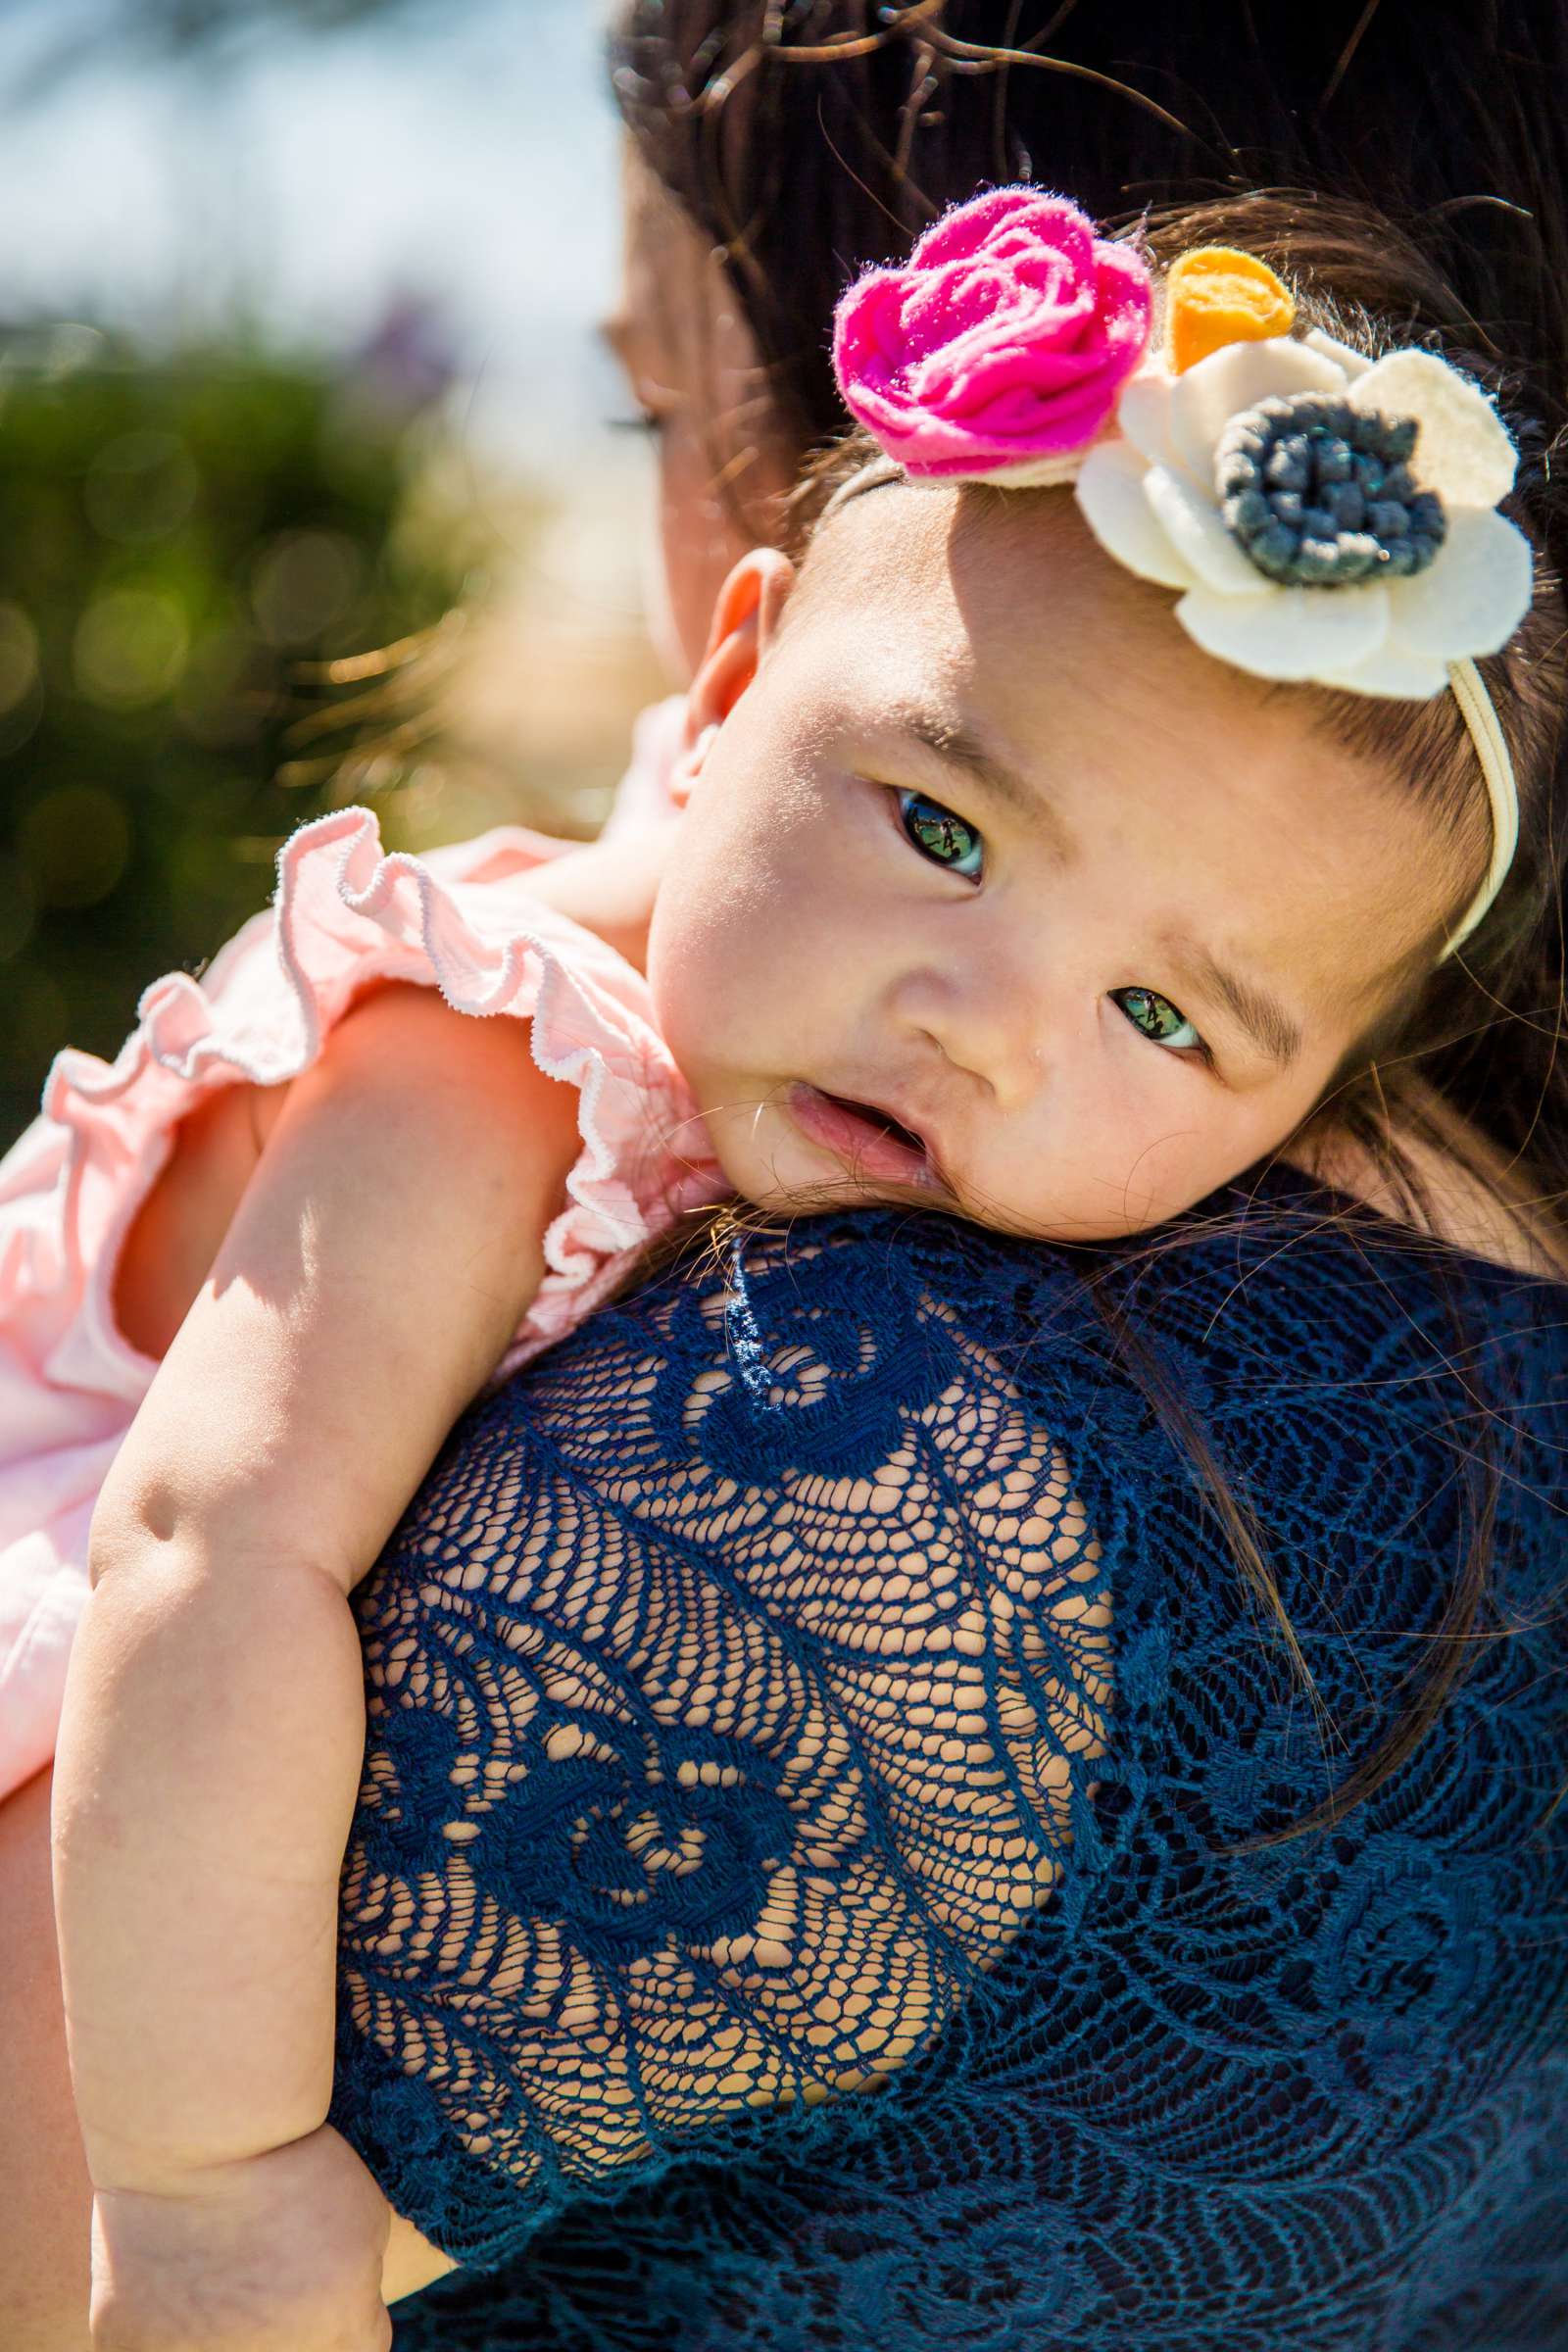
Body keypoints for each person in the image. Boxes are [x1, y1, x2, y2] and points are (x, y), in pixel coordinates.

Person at [0, 10, 1562, 2350]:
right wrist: (212, 2193)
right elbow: (207, 1556)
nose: (984, 1020)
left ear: (1331, 1101)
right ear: (726, 697)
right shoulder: (494, 1042)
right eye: (938, 827)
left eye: (1167, 1019)